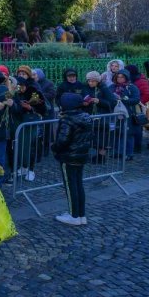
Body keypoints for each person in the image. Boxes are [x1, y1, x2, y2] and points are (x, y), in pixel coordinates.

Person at [53, 93, 94, 226]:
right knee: (78, 184)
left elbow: (63, 140)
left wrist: (54, 147)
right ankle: (81, 214)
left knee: (71, 187)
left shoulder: (67, 120)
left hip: (69, 156)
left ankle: (74, 215)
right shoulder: (86, 117)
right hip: (81, 156)